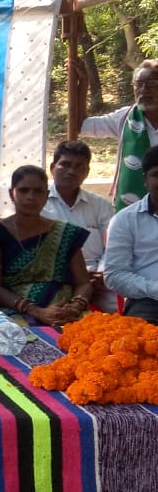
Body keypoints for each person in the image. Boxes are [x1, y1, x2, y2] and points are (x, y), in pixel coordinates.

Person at [0, 165, 92, 326]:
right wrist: (36, 311)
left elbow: (83, 283)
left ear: (47, 195)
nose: (31, 197)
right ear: (11, 194)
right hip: (14, 311)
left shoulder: (66, 233)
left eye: (38, 191)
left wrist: (75, 306)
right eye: (23, 190)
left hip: (65, 311)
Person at [41, 140, 116, 312]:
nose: (71, 171)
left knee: (126, 311)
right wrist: (77, 276)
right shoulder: (39, 204)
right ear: (52, 168)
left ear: (87, 172)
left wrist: (102, 273)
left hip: (99, 280)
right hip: (57, 280)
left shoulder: (100, 205)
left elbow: (113, 246)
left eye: (79, 166)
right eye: (65, 164)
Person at [80, 59, 158, 209]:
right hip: (133, 211)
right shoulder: (125, 118)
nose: (143, 90)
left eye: (151, 84)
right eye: (138, 84)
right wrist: (83, 84)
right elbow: (82, 126)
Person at [104, 145, 158, 323]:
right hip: (149, 301)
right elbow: (115, 275)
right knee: (140, 337)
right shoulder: (125, 220)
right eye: (156, 175)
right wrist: (154, 289)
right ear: (145, 179)